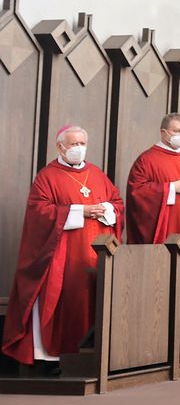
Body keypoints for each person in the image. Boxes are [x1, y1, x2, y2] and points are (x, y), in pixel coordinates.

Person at [2, 125, 123, 372]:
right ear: (60, 147)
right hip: (63, 257)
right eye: (74, 144)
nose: (79, 149)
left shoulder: (97, 174)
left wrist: (107, 210)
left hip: (94, 256)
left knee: (92, 303)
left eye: (82, 144)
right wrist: (81, 211)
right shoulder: (47, 177)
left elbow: (117, 203)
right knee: (64, 303)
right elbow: (39, 214)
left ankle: (90, 358)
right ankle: (52, 360)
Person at [125, 113, 180, 244]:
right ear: (163, 132)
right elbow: (136, 191)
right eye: (177, 131)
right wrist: (171, 188)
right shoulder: (146, 160)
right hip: (168, 227)